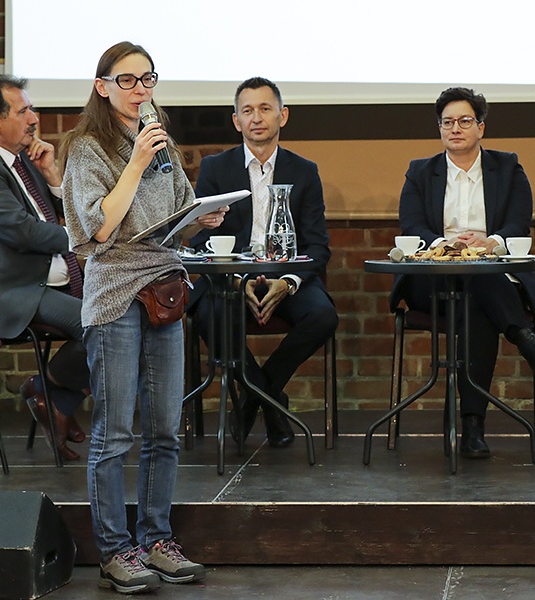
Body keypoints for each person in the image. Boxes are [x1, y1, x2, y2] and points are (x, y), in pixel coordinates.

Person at [61, 41, 220, 593]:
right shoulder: (86, 149)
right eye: (126, 81)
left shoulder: (164, 145)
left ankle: (157, 539)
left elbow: (176, 214)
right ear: (102, 86)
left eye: (147, 79)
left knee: (164, 429)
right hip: (116, 295)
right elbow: (97, 230)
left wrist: (203, 217)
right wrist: (135, 163)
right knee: (116, 432)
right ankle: (113, 549)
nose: (139, 90)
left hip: (165, 287)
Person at [390, 87, 535, 459]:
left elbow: (519, 224)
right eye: (447, 122)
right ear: (439, 130)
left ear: (480, 128)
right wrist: (448, 248)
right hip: (433, 281)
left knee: (477, 297)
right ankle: (521, 337)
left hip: (490, 276)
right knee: (476, 285)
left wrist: (491, 242)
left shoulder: (508, 167)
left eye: (465, 121)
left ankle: (471, 426)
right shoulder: (421, 171)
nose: (456, 129)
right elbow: (412, 226)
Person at [187, 77, 338, 448]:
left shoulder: (304, 171)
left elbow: (317, 244)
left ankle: (256, 397)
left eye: (265, 109)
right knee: (207, 315)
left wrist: (286, 282)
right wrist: (237, 279)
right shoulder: (215, 169)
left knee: (323, 315)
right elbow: (202, 238)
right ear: (236, 120)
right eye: (248, 111)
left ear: (282, 116)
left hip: (286, 276)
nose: (257, 118)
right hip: (231, 278)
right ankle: (273, 402)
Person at [0, 74, 89, 461]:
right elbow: (25, 233)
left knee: (121, 310)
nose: (34, 118)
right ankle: (52, 396)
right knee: (102, 321)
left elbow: (52, 219)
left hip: (40, 281)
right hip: (8, 291)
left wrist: (53, 177)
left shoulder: (20, 161)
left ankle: (51, 396)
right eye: (24, 111)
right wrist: (89, 235)